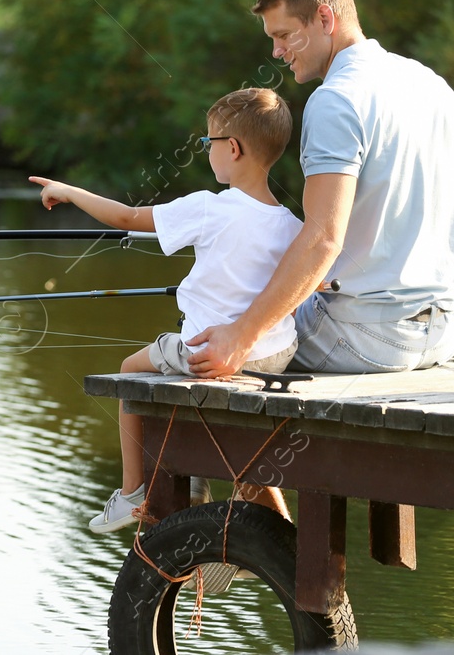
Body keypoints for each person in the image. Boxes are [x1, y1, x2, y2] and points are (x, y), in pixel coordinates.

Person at [29, 87, 302, 533]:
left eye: (208, 142)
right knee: (177, 378)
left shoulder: (209, 208)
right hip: (275, 354)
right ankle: (193, 483)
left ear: (231, 149)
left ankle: (131, 492)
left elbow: (125, 218)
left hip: (213, 354)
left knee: (131, 373)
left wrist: (71, 191)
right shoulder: (293, 224)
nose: (206, 151)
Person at [188, 0, 454, 378]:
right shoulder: (432, 85)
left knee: (191, 349)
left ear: (324, 18)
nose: (276, 52)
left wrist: (241, 336)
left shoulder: (336, 99)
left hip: (363, 340)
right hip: (443, 333)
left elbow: (322, 240)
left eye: (283, 35)